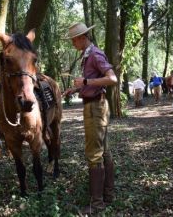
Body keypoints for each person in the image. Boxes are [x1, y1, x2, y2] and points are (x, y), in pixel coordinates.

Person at [62, 22, 117, 215]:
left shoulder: (94, 54)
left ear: (81, 38)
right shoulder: (87, 55)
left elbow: (112, 79)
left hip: (95, 107)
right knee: (104, 151)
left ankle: (97, 204)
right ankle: (108, 195)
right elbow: (93, 82)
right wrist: (77, 88)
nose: (72, 44)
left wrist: (85, 81)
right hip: (95, 104)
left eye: (73, 40)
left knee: (94, 153)